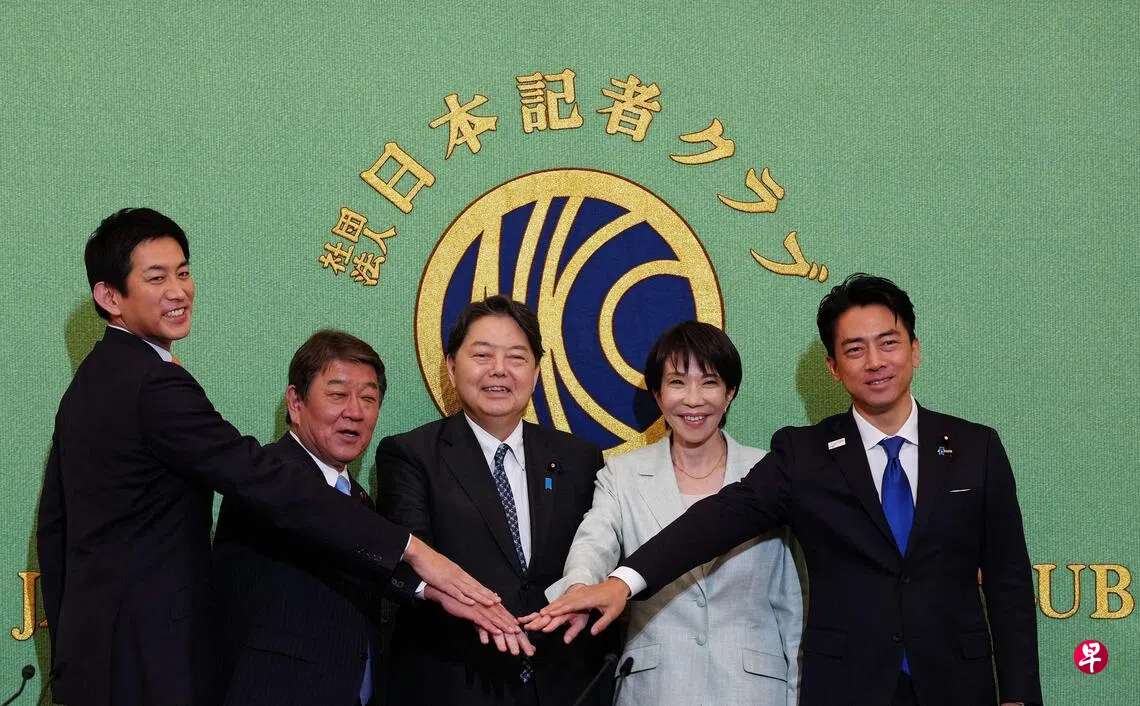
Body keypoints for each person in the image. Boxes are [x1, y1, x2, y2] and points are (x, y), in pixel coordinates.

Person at [36, 209, 513, 706]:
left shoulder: (89, 382)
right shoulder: (153, 383)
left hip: (97, 658)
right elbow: (261, 478)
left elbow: (56, 530)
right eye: (156, 278)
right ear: (110, 297)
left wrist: (75, 649)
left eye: (183, 272)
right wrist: (413, 550)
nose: (178, 291)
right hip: (150, 661)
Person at [533, 274, 1042, 706]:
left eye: (888, 343)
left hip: (957, 683)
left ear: (915, 349)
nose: (874, 361)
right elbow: (715, 519)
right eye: (854, 349)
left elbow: (1009, 583)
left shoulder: (976, 448)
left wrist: (1019, 695)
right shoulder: (805, 455)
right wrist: (622, 583)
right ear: (833, 367)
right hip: (848, 687)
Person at [536, 321, 802, 706]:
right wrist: (581, 589)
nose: (693, 399)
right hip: (654, 689)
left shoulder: (770, 474)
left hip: (755, 691)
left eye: (709, 382)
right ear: (658, 396)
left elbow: (793, 601)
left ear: (730, 393)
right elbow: (593, 544)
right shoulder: (621, 475)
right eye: (677, 382)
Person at [214, 330, 483, 705]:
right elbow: (327, 535)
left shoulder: (357, 499)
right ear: (295, 402)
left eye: (369, 398)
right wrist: (420, 561)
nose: (355, 412)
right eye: (338, 395)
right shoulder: (269, 478)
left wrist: (432, 590)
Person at [376, 295, 615, 706]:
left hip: (563, 685)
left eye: (516, 357)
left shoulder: (580, 458)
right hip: (456, 683)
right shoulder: (411, 455)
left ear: (536, 372)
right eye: (482, 355)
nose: (499, 370)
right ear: (452, 366)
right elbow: (406, 565)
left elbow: (598, 555)